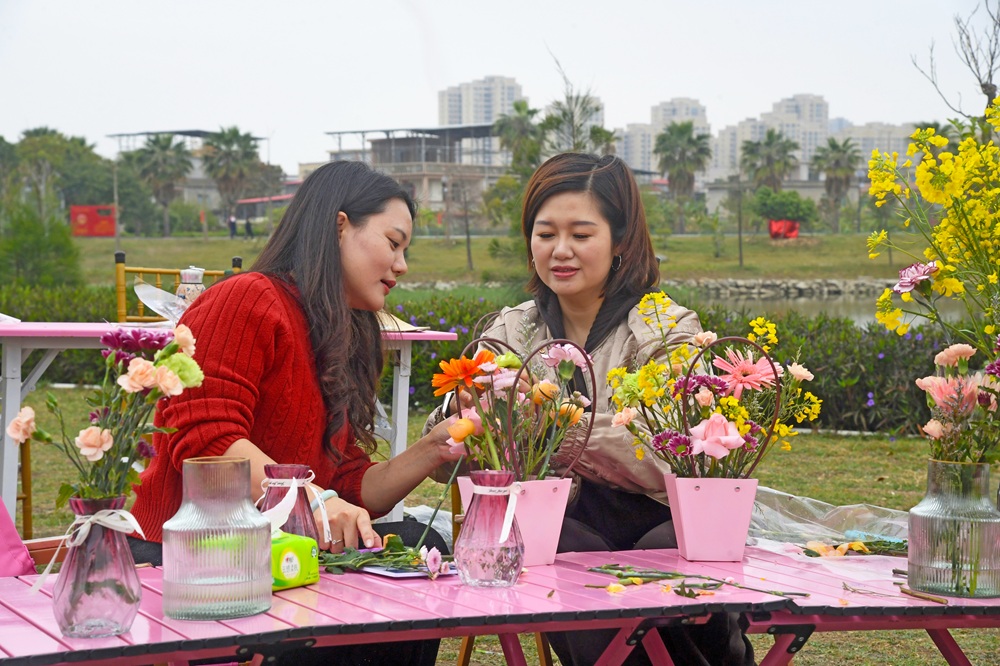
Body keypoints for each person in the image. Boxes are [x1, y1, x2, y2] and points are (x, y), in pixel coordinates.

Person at [427, 153, 754, 666]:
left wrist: (545, 428)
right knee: (542, 539)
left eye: (581, 234)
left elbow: (675, 449)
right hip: (560, 517)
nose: (560, 251)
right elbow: (450, 437)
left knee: (678, 548)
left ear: (620, 240)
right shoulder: (512, 330)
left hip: (654, 513)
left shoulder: (667, 328)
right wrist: (470, 420)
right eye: (545, 234)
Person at [131, 160, 462, 666]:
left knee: (419, 546)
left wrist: (430, 451)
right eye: (393, 243)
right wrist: (313, 499)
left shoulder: (342, 334)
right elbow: (204, 438)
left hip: (287, 555)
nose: (401, 265)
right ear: (340, 224)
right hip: (194, 557)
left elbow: (348, 484)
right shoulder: (245, 299)